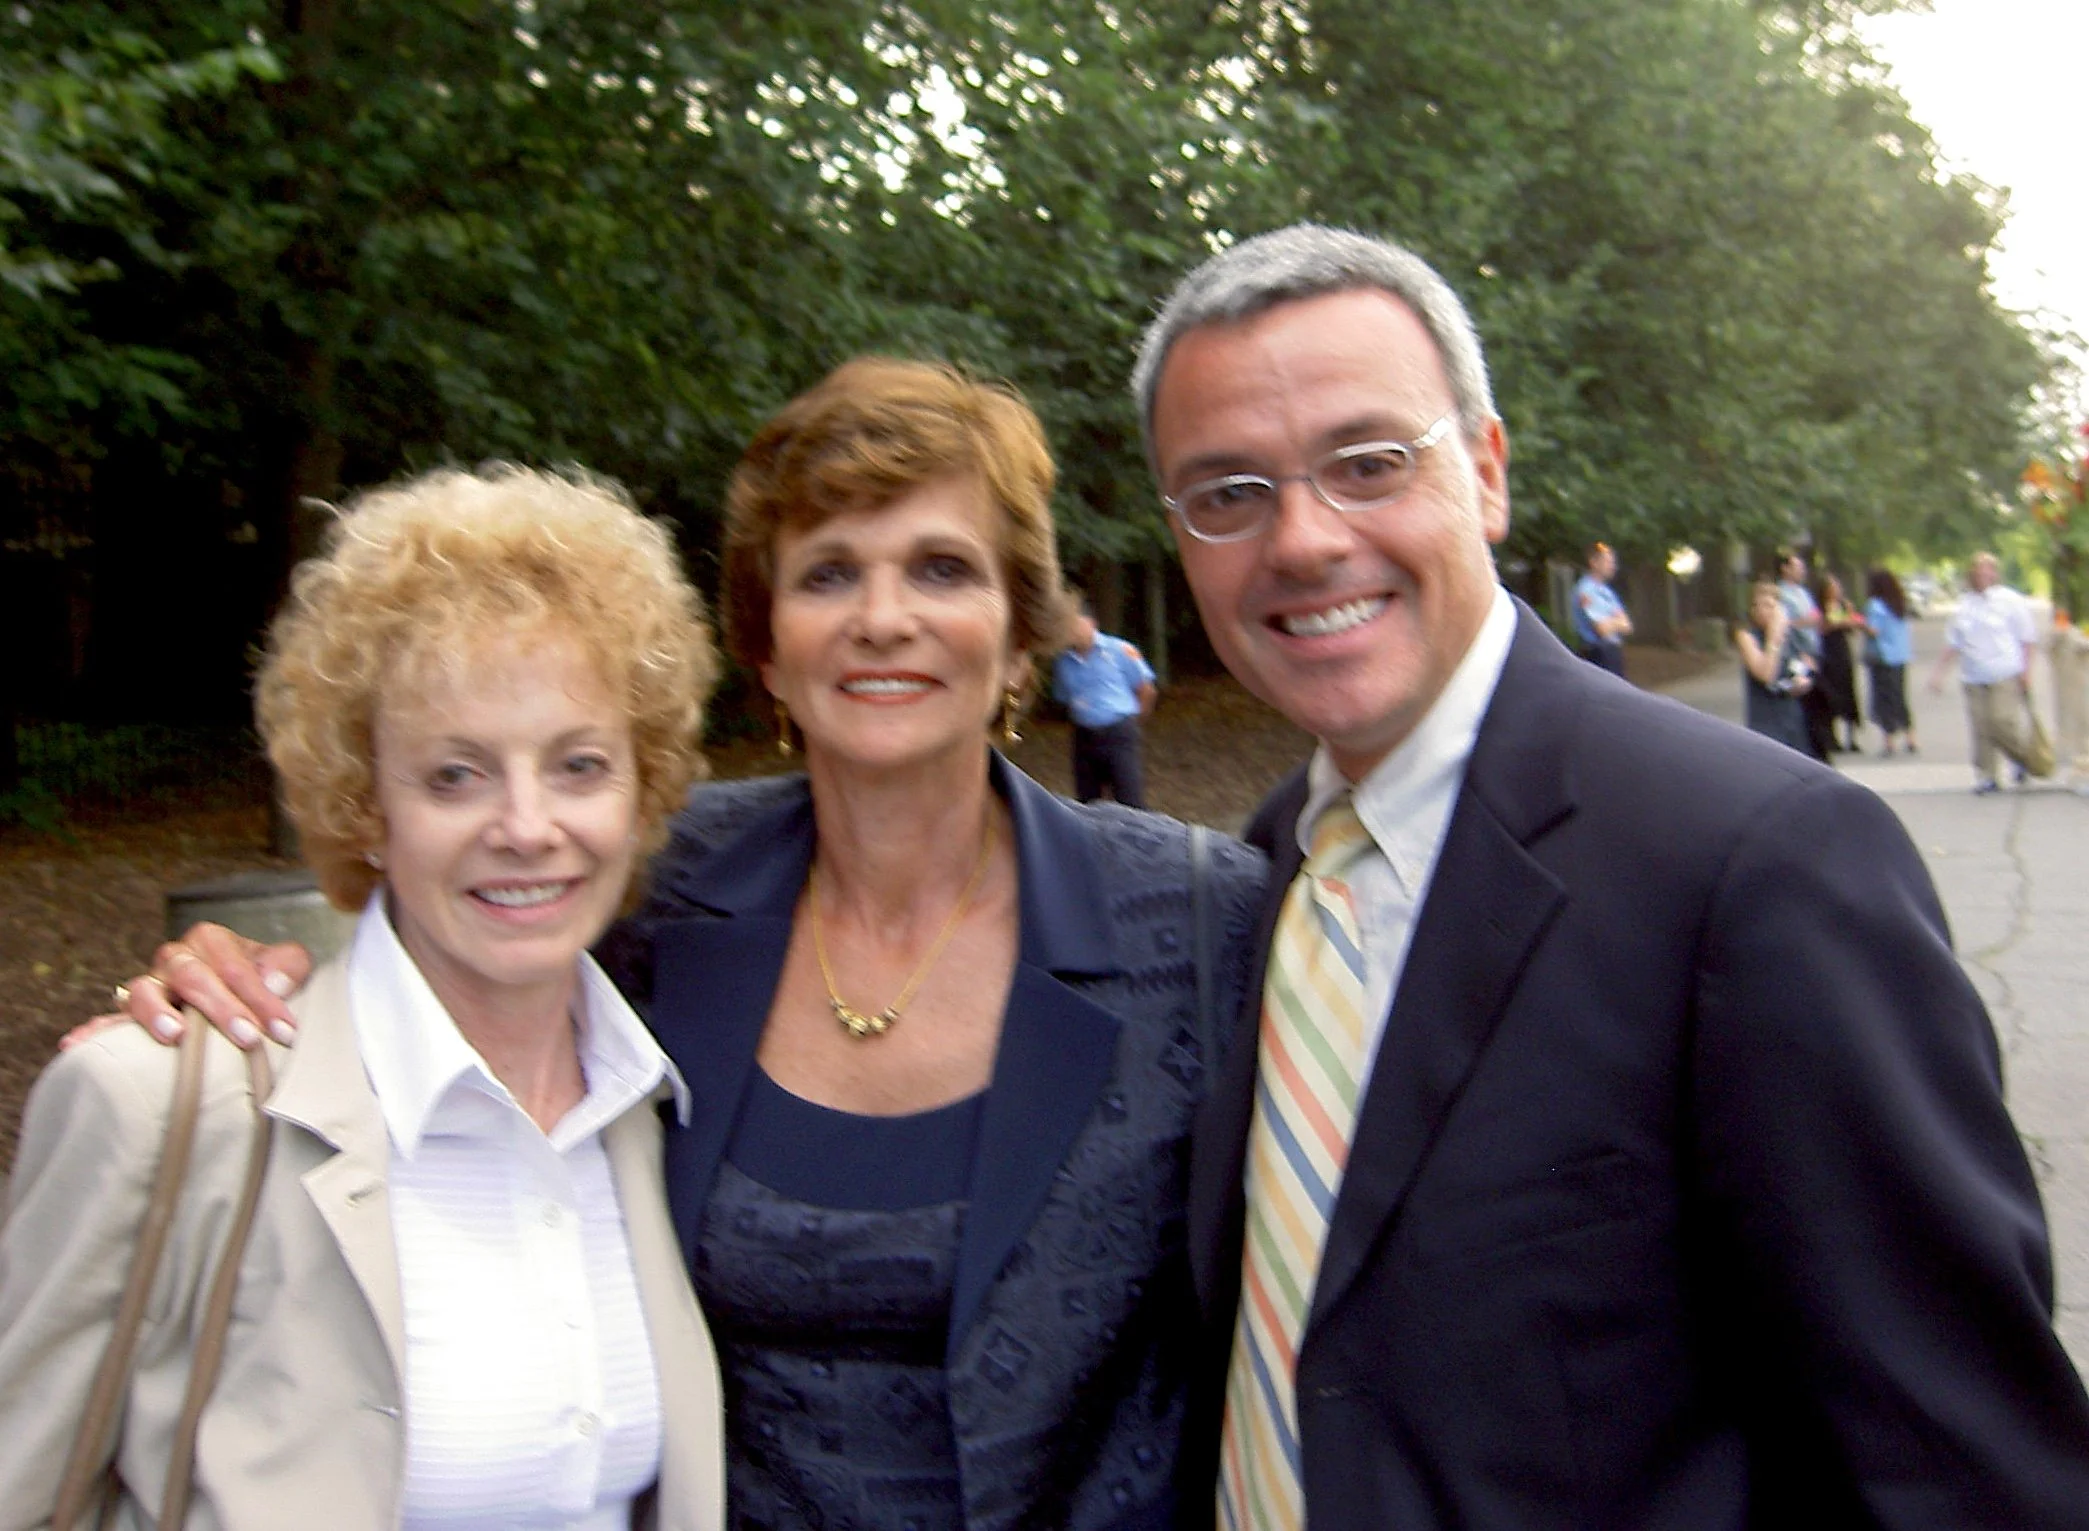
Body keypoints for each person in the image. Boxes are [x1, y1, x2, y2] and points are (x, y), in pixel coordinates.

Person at [101, 359, 1270, 1529]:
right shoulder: (650, 888)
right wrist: (236, 976)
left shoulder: (1195, 915)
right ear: (766, 647)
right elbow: (436, 927)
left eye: (941, 567)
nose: (883, 616)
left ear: (1021, 636)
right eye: (827, 574)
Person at [1130, 223, 2089, 1529]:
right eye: (1228, 491)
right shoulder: (1260, 872)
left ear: (1487, 473)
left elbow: (1959, 1467)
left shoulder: (1758, 860)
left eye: (1367, 463)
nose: (1300, 538)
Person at [0, 466, 728, 1526]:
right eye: (454, 775)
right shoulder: (166, 1106)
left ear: (643, 784)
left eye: (578, 765)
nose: (527, 825)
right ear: (363, 804)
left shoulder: (655, 1105)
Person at [1927, 550, 2042, 794]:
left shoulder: (2009, 601)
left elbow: (2027, 638)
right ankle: (1987, 775)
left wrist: (2026, 671)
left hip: (2004, 671)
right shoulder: (1965, 605)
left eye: (1987, 570)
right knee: (1981, 727)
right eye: (1977, 570)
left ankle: (2022, 758)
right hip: (1973, 675)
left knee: (2001, 721)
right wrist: (1938, 673)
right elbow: (1954, 642)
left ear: (1994, 574)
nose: (1982, 575)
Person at [1052, 592, 1158, 806]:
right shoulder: (1063, 662)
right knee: (1088, 801)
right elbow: (1064, 697)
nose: (1071, 632)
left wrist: (1133, 721)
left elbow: (1146, 689)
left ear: (1091, 623)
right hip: (1084, 736)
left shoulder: (1120, 650)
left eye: (1075, 624)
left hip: (1118, 732)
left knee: (1129, 797)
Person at [1734, 579, 1813, 754]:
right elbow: (1765, 674)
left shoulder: (1792, 636)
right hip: (1765, 720)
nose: (1763, 611)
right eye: (1757, 605)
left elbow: (1808, 663)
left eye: (1770, 605)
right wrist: (1773, 639)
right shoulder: (1747, 637)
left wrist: (1803, 680)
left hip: (1792, 716)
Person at [1862, 567, 1917, 756]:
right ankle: (1911, 738)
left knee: (1885, 699)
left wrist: (1859, 623)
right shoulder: (1899, 603)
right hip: (1901, 655)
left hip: (1883, 657)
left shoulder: (1875, 605)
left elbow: (1874, 630)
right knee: (1900, 697)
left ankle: (1889, 742)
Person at [1814, 571, 1863, 751]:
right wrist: (1840, 623)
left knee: (1848, 694)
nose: (1837, 591)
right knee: (1829, 695)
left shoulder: (1844, 606)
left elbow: (1854, 628)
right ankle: (1831, 738)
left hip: (1842, 653)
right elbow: (1821, 628)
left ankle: (1852, 737)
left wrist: (1850, 618)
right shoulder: (1819, 608)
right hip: (1826, 654)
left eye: (1838, 588)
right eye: (1833, 588)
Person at [1569, 540, 1631, 674]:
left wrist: (1613, 622)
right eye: (1608, 562)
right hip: (1598, 655)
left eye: (1613, 562)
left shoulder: (1607, 592)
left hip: (1613, 653)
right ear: (1594, 562)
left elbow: (1627, 626)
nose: (1613, 566)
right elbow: (1602, 629)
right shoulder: (1586, 591)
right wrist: (1616, 621)